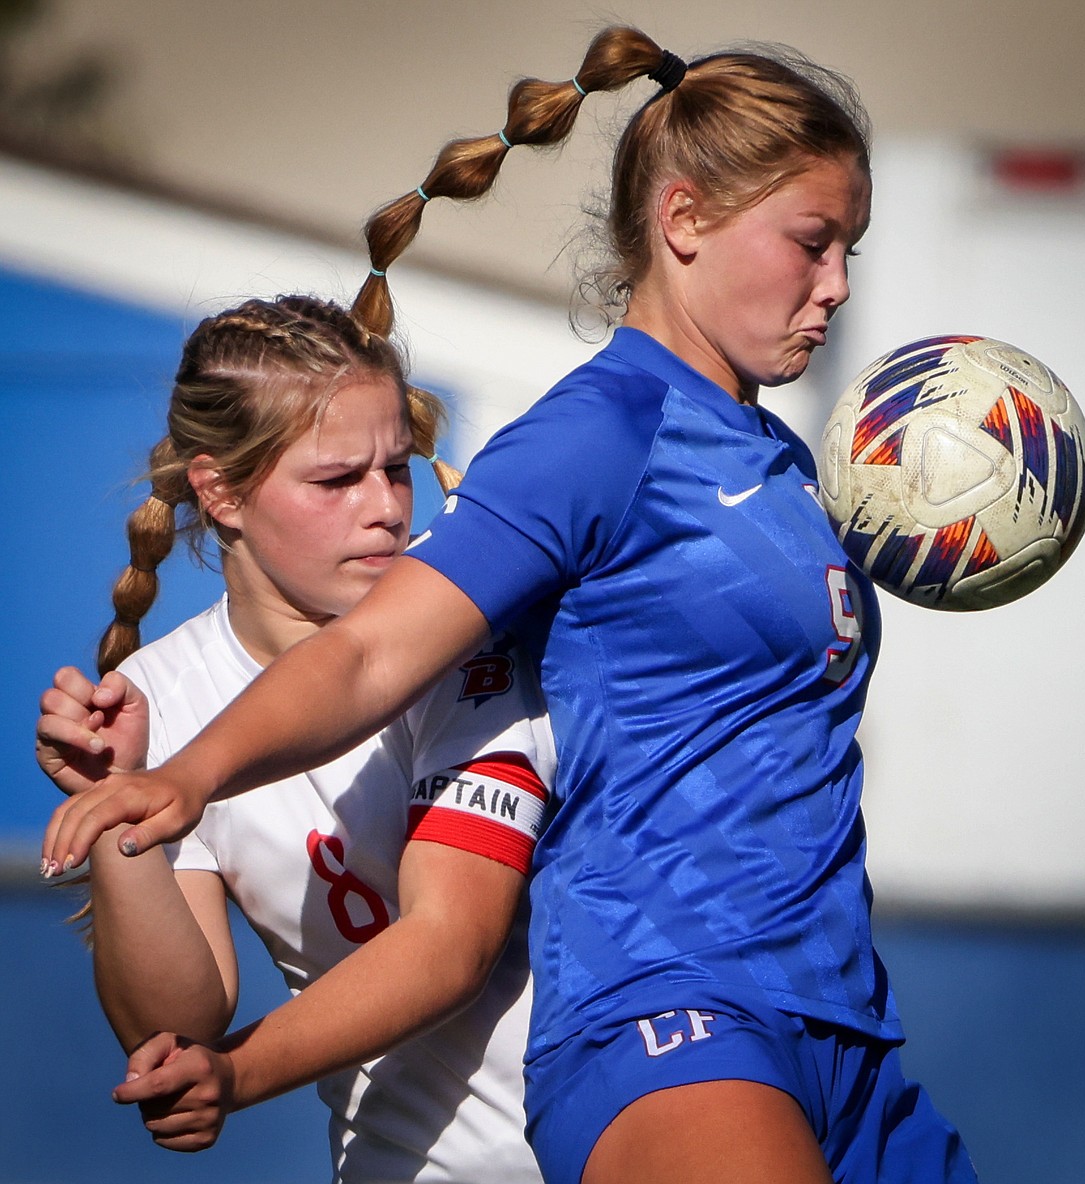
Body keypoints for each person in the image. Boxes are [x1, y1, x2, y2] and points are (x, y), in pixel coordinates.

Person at [42, 25, 980, 1184]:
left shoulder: (781, 463)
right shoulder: (600, 430)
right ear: (682, 221)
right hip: (674, 1012)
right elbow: (373, 669)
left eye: (851, 248)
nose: (837, 283)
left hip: (841, 1025)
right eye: (812, 242)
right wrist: (175, 787)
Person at [35, 293, 555, 1183]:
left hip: (606, 1145)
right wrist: (115, 807)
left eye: (395, 469)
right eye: (336, 479)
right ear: (220, 492)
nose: (385, 507)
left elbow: (450, 944)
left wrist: (239, 1074)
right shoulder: (158, 699)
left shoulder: (468, 617)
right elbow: (178, 1029)